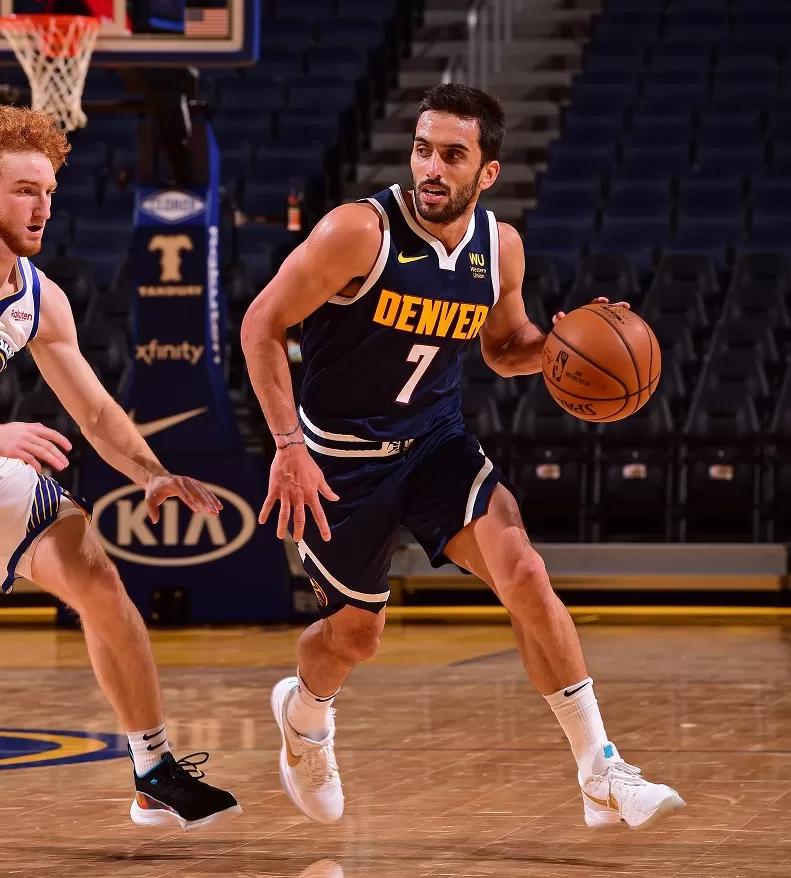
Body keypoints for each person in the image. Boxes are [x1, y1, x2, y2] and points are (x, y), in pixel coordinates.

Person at [241, 84, 685, 830]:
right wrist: (286, 444)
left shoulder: (497, 246)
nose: (431, 168)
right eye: (422, 149)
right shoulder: (355, 232)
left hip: (436, 444)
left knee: (526, 574)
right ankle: (305, 716)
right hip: (339, 458)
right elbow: (260, 325)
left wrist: (562, 346)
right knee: (354, 638)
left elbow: (505, 348)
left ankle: (599, 769)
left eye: (452, 154)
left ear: (487, 172)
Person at [0, 106, 240, 830]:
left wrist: (151, 474)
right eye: (21, 190)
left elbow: (98, 413)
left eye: (47, 190)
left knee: (99, 579)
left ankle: (153, 771)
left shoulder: (38, 296)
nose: (42, 207)